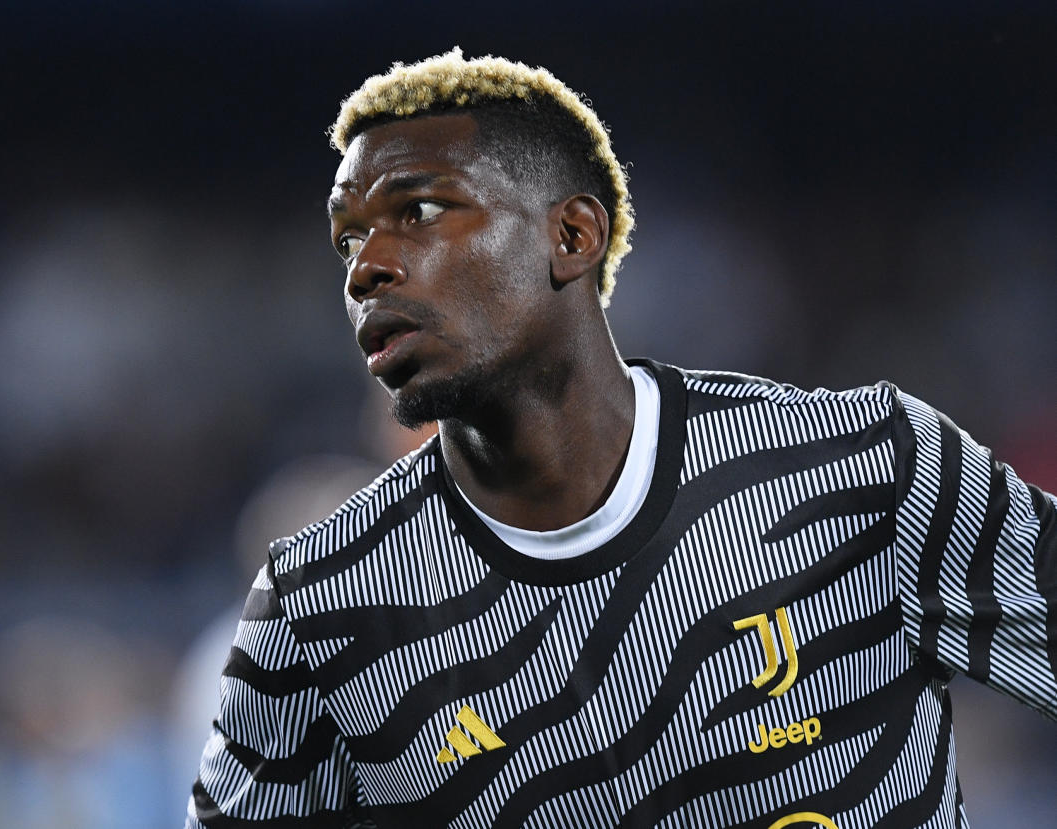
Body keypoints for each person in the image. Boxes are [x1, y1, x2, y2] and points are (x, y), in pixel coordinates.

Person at [186, 49, 1056, 828]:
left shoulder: (864, 464)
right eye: (348, 237)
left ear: (572, 235)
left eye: (417, 210)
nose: (365, 265)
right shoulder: (314, 609)